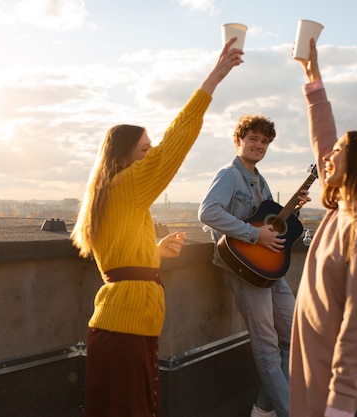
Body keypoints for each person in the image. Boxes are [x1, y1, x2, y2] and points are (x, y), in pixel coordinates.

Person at [70, 37, 244, 417]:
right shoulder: (127, 186)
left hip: (121, 329)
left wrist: (154, 252)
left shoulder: (111, 195)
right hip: (126, 331)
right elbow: (176, 143)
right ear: (125, 155)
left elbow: (119, 259)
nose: (151, 155)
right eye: (145, 149)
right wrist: (214, 77)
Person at [289, 38, 357, 417]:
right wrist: (313, 78)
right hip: (309, 373)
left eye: (340, 150)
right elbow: (323, 142)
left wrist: (340, 407)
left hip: (329, 391)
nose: (328, 155)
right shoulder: (342, 213)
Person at [198, 113, 310, 417]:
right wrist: (252, 235)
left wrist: (294, 210)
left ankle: (263, 409)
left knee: (293, 336)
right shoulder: (228, 175)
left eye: (264, 141)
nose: (259, 145)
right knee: (266, 346)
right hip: (245, 270)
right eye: (253, 139)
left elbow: (270, 226)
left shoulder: (261, 180)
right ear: (239, 141)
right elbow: (208, 212)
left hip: (271, 270)